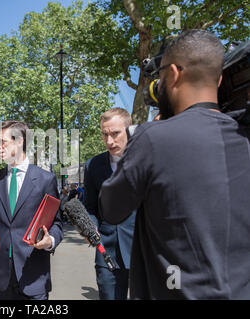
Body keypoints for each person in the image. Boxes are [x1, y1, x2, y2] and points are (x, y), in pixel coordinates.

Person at [98, 29, 250, 299]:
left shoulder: (152, 139)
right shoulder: (243, 136)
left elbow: (111, 207)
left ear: (175, 73)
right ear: (220, 78)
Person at [0, 120, 64, 300]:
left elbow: (57, 223)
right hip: (0, 275)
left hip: (34, 275)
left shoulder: (46, 179)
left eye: (3, 142)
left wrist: (50, 240)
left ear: (20, 141)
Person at [83, 108, 136, 300]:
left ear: (129, 131)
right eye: (105, 135)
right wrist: (90, 227)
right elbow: (90, 207)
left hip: (142, 249)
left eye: (115, 133)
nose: (109, 141)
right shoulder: (93, 166)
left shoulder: (147, 158)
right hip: (107, 251)